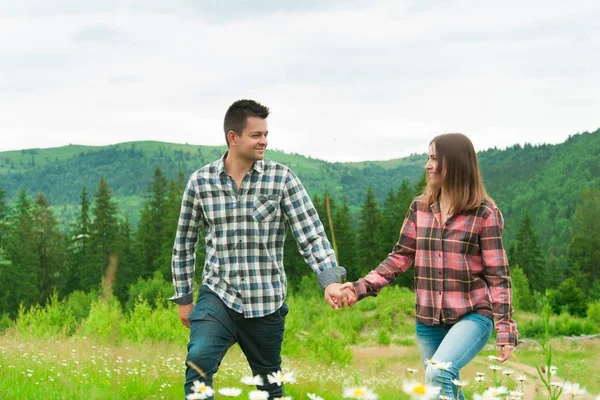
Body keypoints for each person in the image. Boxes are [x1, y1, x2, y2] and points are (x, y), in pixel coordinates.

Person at [170, 99, 347, 399]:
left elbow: (311, 233)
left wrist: (329, 279)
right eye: (256, 135)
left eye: (266, 134)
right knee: (198, 362)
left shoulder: (282, 179)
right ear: (233, 137)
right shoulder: (200, 182)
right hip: (218, 295)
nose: (264, 141)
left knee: (268, 387)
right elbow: (185, 243)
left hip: (266, 301)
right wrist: (184, 297)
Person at [341, 133, 517, 399]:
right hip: (428, 319)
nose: (427, 165)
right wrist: (359, 288)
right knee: (439, 393)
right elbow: (400, 257)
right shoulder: (420, 207)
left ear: (455, 163)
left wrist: (505, 328)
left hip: (473, 315)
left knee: (438, 373)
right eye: (428, 157)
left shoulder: (484, 214)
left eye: (434, 158)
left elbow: (498, 276)